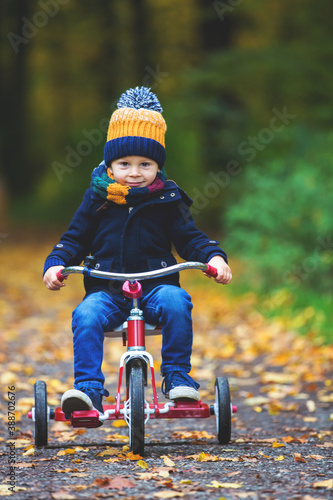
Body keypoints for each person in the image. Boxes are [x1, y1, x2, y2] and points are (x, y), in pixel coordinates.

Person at [43, 86, 232, 418]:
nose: (134, 172)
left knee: (177, 301)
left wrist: (213, 257)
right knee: (85, 315)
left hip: (156, 287)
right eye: (125, 163)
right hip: (107, 290)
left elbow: (190, 239)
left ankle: (177, 377)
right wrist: (57, 263)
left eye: (145, 164)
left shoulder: (167, 199)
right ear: (110, 165)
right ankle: (87, 390)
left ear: (157, 166)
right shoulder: (96, 199)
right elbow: (74, 239)